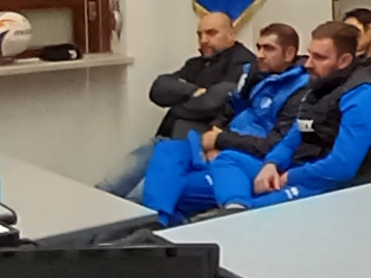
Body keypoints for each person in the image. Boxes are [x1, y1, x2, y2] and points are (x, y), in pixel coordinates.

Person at [208, 21, 371, 211]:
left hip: (341, 188)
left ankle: (240, 214)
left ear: (344, 61)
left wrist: (290, 177)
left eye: (319, 57)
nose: (308, 64)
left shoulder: (365, 96)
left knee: (259, 210)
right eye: (310, 54)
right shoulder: (320, 87)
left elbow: (342, 167)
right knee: (228, 159)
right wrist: (272, 164)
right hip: (303, 170)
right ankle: (235, 208)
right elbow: (292, 139)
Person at [133, 24, 311, 222]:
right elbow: (230, 107)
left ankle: (160, 224)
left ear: (289, 54)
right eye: (258, 47)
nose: (260, 55)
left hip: (248, 160)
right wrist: (216, 132)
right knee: (168, 150)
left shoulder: (300, 90)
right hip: (223, 145)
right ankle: (156, 226)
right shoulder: (256, 75)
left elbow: (273, 145)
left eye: (268, 49)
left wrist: (220, 141)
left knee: (171, 189)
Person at [149, 12, 254, 139]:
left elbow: (214, 104)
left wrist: (176, 105)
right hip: (169, 136)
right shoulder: (196, 63)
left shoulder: (245, 62)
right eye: (200, 35)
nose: (203, 40)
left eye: (211, 33)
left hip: (210, 142)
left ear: (232, 35)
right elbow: (159, 89)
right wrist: (195, 91)